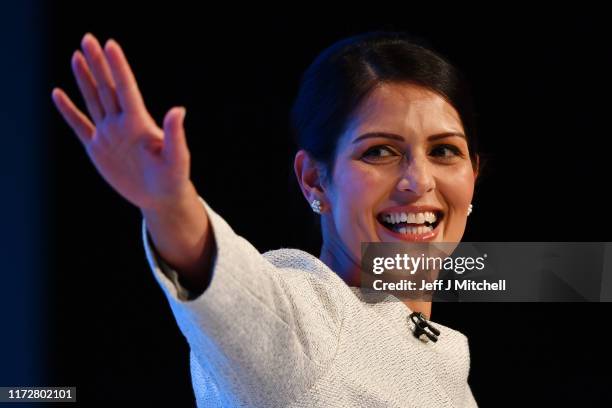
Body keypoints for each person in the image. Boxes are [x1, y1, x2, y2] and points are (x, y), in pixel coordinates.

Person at [52, 30, 480, 407]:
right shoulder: (313, 323)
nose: (418, 181)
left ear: (473, 176)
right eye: (379, 151)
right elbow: (247, 304)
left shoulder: (447, 363)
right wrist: (171, 207)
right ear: (314, 180)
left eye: (444, 151)